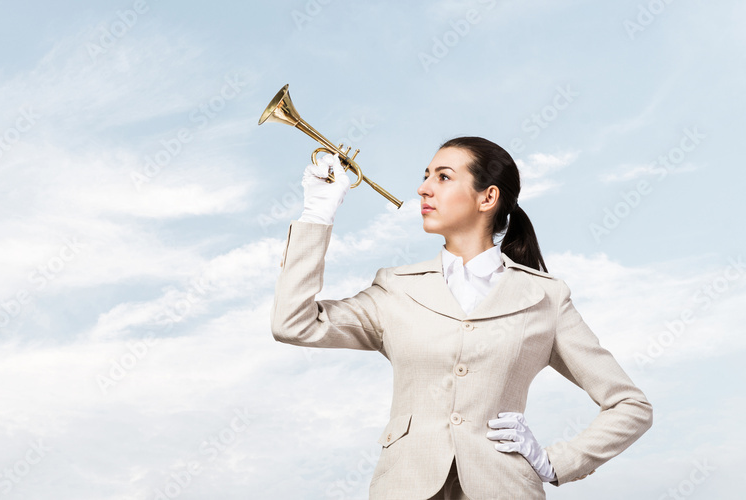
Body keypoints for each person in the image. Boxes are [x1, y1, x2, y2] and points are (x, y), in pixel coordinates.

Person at [269, 137, 653, 499]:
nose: (423, 188)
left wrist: (554, 462)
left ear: (488, 197)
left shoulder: (545, 297)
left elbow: (630, 405)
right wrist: (316, 214)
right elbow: (294, 323)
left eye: (443, 177)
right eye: (425, 176)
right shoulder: (396, 289)